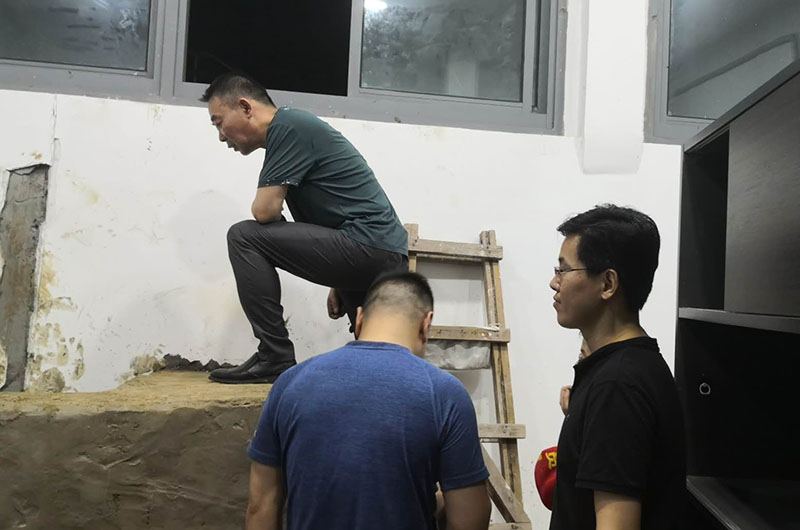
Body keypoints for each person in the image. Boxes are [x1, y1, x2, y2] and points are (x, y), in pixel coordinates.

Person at [202, 73, 408, 384]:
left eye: (219, 122)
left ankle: (274, 356)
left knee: (244, 237)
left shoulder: (288, 126)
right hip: (380, 251)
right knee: (379, 362)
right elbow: (339, 211)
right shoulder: (292, 129)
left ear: (245, 107)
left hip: (368, 246)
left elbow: (264, 210)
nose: (220, 136)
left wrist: (344, 267)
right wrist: (340, 278)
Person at [244, 272, 492, 530]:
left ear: (360, 318)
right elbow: (470, 520)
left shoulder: (289, 383)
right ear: (426, 324)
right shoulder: (446, 394)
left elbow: (260, 506)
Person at [548, 205, 686, 530]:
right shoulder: (629, 368)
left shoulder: (618, 386)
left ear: (608, 283)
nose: (554, 283)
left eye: (563, 270)